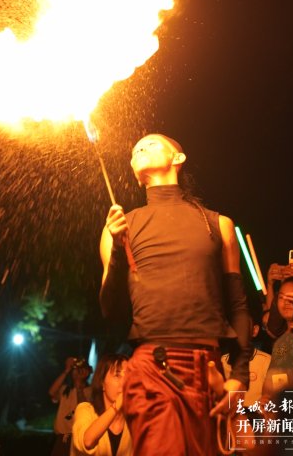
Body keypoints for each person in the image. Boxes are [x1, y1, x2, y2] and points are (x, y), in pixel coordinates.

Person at [99, 133, 252, 456]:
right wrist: (116, 249)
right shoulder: (120, 226)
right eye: (136, 149)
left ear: (179, 159)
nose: (140, 147)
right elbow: (111, 310)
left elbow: (237, 304)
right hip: (152, 366)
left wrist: (239, 376)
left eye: (152, 143)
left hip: (207, 369)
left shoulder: (217, 224)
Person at [71, 353, 132, 456]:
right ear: (102, 383)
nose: (124, 382)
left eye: (128, 376)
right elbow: (87, 442)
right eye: (117, 375)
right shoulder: (85, 410)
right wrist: (117, 404)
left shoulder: (132, 420)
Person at [49, 357, 92, 456]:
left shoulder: (92, 391)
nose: (78, 372)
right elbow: (51, 392)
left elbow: (83, 407)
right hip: (63, 437)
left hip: (80, 438)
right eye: (75, 370)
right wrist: (66, 370)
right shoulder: (65, 389)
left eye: (81, 369)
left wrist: (79, 386)